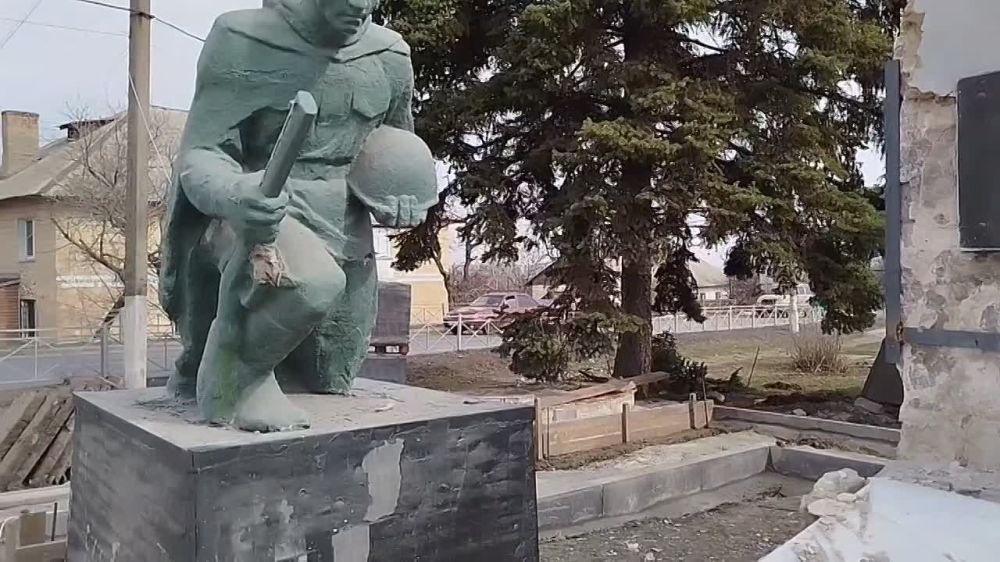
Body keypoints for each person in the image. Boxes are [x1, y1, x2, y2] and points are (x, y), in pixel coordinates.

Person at [160, 0, 435, 431]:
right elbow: (201, 153)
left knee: (331, 376)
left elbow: (394, 140)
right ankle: (236, 382)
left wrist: (402, 191)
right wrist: (236, 193)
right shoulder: (242, 40)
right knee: (309, 284)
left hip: (344, 225)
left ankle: (242, 361)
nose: (361, 6)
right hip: (261, 207)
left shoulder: (390, 54)